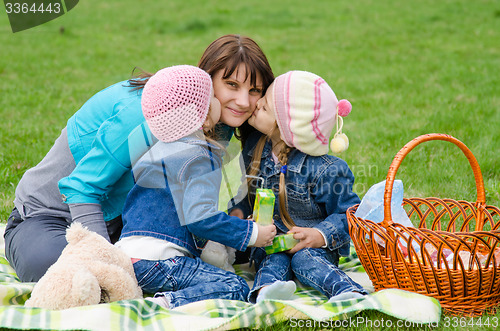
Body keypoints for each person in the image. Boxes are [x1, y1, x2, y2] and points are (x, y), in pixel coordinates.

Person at [4, 34, 274, 282]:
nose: (243, 101)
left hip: (126, 224)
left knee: (235, 249)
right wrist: (109, 263)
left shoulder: (217, 121)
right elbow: (81, 188)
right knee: (62, 272)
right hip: (52, 216)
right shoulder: (153, 111)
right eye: (231, 85)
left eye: (254, 91)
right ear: (207, 76)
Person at [115, 65, 276, 308]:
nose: (217, 102)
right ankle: (166, 304)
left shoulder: (158, 148)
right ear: (202, 111)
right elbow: (200, 218)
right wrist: (252, 233)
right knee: (236, 286)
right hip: (161, 261)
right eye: (212, 97)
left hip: (127, 258)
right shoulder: (200, 156)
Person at [229, 71, 368, 303]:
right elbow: (245, 195)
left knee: (305, 260)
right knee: (272, 259)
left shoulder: (325, 170)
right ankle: (265, 293)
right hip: (271, 241)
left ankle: (347, 291)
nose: (256, 104)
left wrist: (319, 235)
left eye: (264, 107)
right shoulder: (254, 149)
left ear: (286, 128)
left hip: (313, 246)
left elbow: (351, 214)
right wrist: (240, 219)